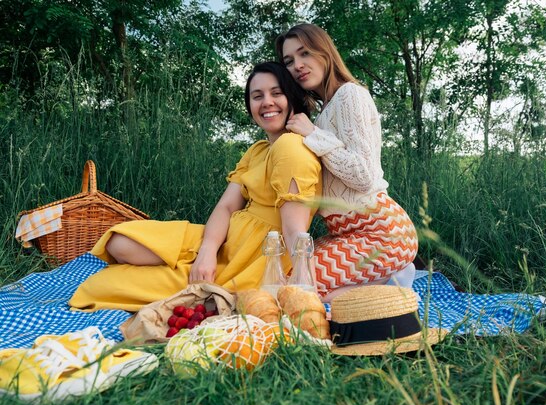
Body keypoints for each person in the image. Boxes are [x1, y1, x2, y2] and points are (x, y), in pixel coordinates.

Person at [69, 62, 322, 312]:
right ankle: (180, 265)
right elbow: (226, 207)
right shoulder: (258, 150)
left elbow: (295, 232)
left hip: (248, 259)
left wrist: (304, 294)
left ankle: (180, 277)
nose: (267, 102)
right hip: (224, 238)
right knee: (118, 241)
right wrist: (207, 251)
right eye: (257, 96)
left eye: (276, 93)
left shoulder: (292, 147)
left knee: (101, 286)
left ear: (292, 98)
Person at [276, 23, 418, 302]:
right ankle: (385, 280)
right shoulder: (326, 110)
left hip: (381, 232)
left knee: (297, 288)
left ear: (325, 53)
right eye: (289, 61)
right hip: (347, 232)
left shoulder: (350, 95)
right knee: (286, 270)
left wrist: (313, 134)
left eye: (305, 54)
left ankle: (390, 284)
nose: (298, 66)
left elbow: (362, 175)